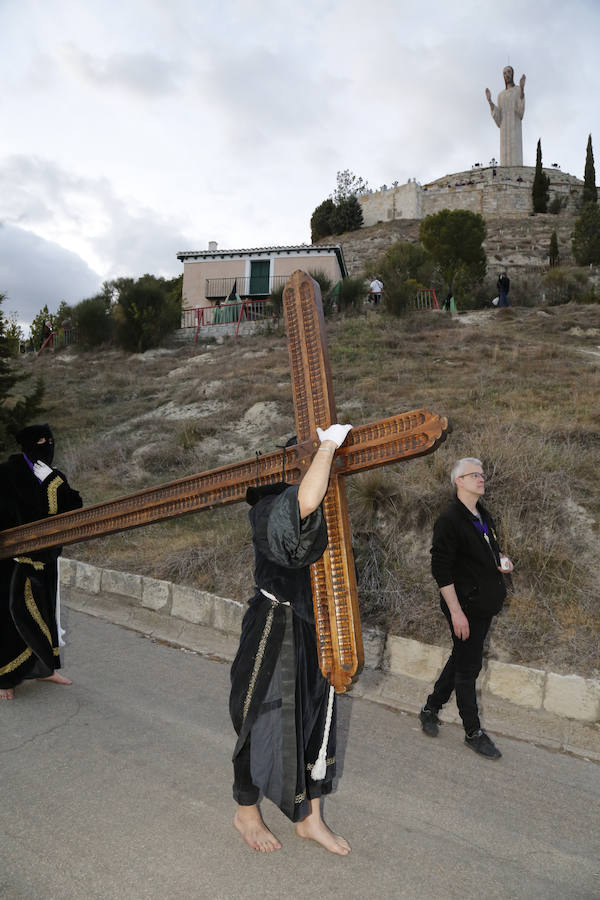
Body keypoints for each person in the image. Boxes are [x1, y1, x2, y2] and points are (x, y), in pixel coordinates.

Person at [230, 423, 353, 855]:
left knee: (316, 722)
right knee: (259, 719)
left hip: (314, 628)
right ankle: (246, 811)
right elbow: (300, 506)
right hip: (275, 625)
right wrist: (328, 445)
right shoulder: (267, 505)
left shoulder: (328, 507)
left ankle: (310, 820)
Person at [418, 457, 513, 759]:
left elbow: (490, 549)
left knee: (462, 656)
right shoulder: (450, 519)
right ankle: (473, 731)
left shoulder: (482, 514)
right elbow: (441, 570)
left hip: (484, 603)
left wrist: (502, 561)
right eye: (474, 475)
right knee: (469, 667)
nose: (481, 478)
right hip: (463, 605)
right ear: (458, 481)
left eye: (482, 474)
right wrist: (456, 612)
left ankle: (431, 708)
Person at [0, 424, 83, 700]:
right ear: (26, 445)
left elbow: (74, 507)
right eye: (40, 441)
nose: (47, 445)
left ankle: (45, 669)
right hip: (11, 561)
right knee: (11, 616)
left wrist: (53, 483)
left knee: (46, 615)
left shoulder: (51, 475)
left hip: (46, 559)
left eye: (50, 440)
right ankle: (4, 677)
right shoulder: (7, 473)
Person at [485, 66, 526, 167]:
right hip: (504, 131)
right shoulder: (501, 95)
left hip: (514, 126)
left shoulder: (517, 90)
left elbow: (521, 110)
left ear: (512, 74)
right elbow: (499, 117)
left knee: (516, 155)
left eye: (508, 72)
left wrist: (521, 90)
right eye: (504, 73)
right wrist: (490, 102)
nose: (506, 75)